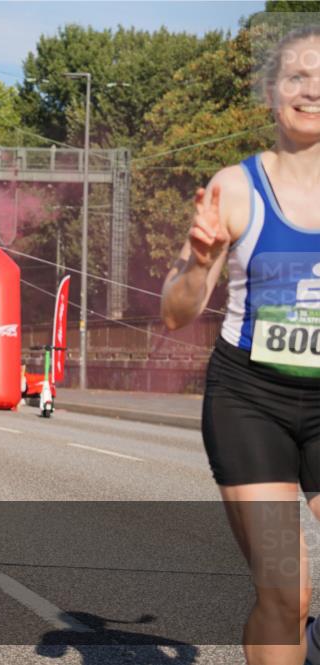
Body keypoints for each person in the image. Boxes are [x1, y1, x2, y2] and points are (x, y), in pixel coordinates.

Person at [160, 26, 320, 665]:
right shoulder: (235, 188)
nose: (312, 90)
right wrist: (199, 265)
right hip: (253, 402)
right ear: (270, 94)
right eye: (296, 77)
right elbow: (176, 313)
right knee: (288, 592)